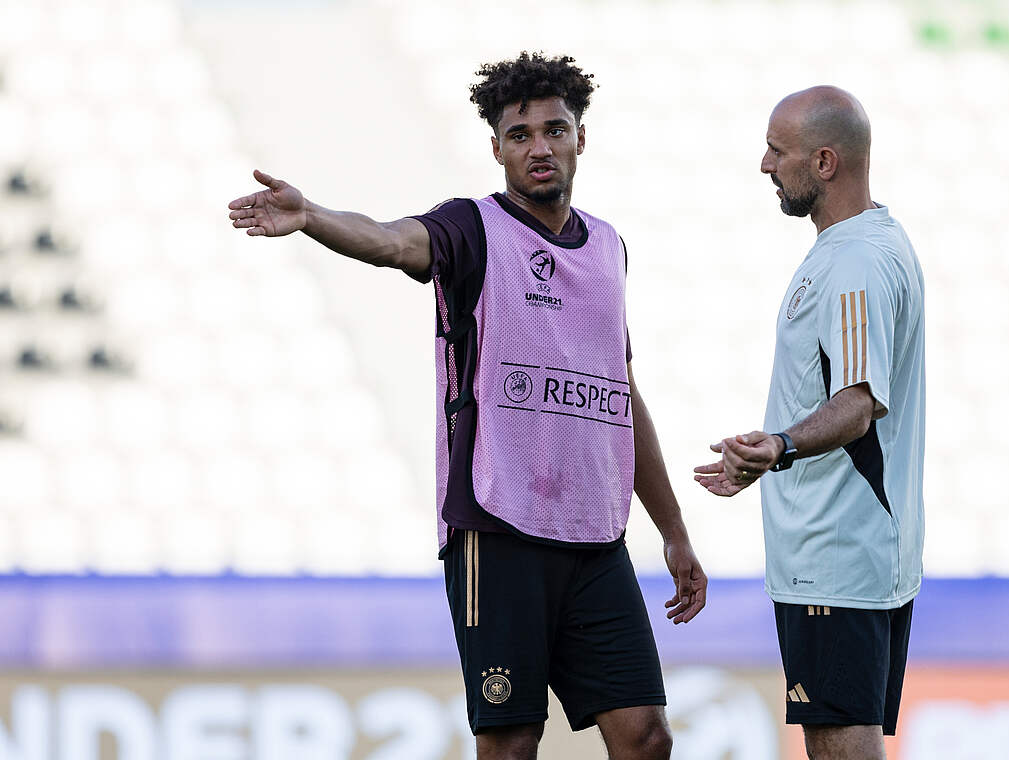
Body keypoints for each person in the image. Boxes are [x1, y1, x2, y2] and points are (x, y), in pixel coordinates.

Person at [227, 52, 707, 760]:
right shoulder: (472, 229)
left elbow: (621, 393)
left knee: (647, 739)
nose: (539, 147)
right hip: (498, 527)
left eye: (554, 129)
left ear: (581, 138)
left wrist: (672, 530)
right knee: (510, 744)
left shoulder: (609, 247)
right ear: (496, 148)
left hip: (597, 539)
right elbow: (393, 242)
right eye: (520, 135)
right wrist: (313, 217)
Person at [694, 86, 925, 760]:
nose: (765, 165)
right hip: (858, 552)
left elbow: (858, 403)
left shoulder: (853, 264)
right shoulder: (873, 241)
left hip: (836, 555)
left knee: (838, 744)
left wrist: (780, 445)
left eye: (778, 150)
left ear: (824, 162)